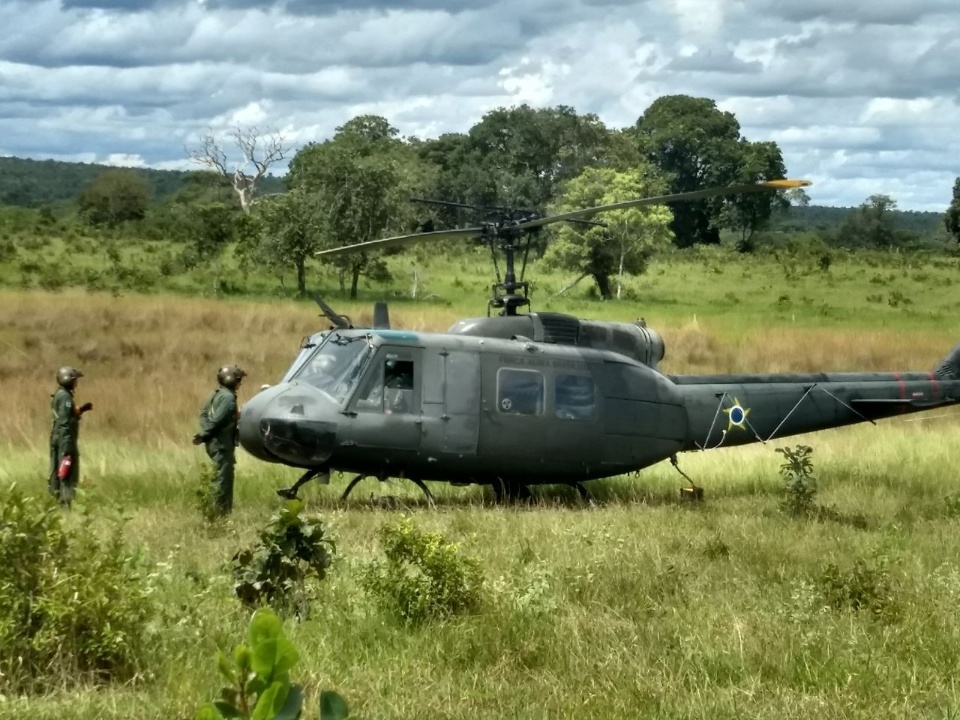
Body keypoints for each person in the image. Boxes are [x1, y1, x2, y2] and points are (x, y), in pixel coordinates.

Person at [193, 364, 247, 514]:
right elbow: (218, 420)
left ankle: (214, 510)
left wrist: (205, 432)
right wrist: (205, 434)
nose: (240, 383)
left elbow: (204, 414)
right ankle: (221, 513)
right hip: (222, 445)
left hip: (214, 444)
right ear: (230, 380)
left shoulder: (214, 394)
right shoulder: (229, 398)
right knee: (224, 480)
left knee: (217, 477)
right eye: (238, 380)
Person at [49, 366, 93, 507]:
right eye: (75, 380)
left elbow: (64, 416)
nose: (76, 383)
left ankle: (56, 500)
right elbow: (65, 422)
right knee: (67, 472)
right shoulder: (66, 397)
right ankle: (66, 504)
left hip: (58, 437)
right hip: (65, 439)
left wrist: (81, 410)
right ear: (68, 380)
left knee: (57, 470)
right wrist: (67, 447)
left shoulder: (59, 394)